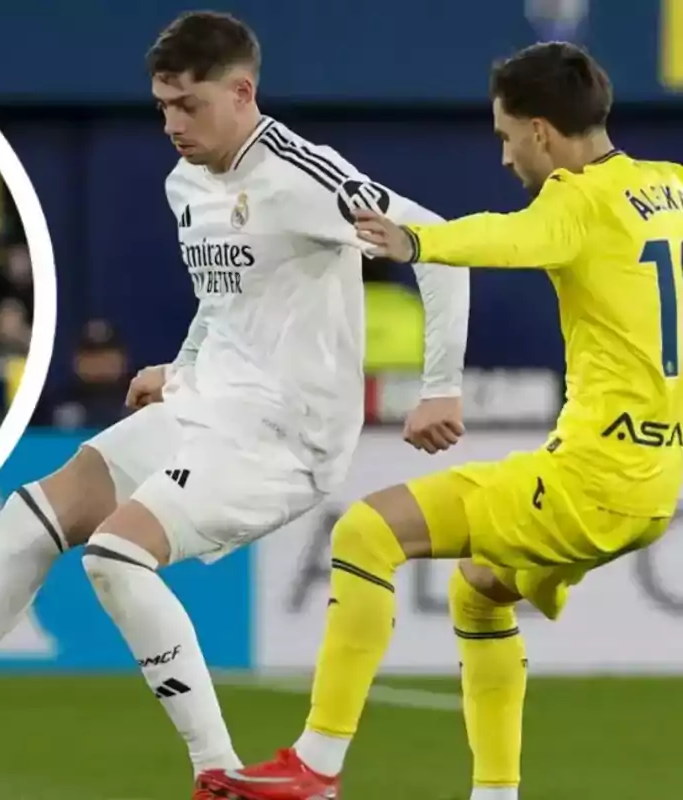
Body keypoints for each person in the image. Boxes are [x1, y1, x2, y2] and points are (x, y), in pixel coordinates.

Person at [0, 11, 471, 790]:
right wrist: (185, 362)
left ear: (242, 92)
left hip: (282, 435)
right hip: (209, 409)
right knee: (33, 514)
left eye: (188, 105)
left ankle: (219, 773)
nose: (170, 123)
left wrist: (440, 387)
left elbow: (439, 244)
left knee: (117, 558)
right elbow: (225, 296)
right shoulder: (186, 181)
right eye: (162, 105)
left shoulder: (300, 173)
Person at [198, 41, 683, 800]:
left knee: (365, 530)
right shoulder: (670, 186)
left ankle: (317, 763)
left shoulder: (574, 202)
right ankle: (496, 793)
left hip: (591, 480)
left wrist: (419, 239)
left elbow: (507, 236)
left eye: (505, 136)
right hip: (655, 484)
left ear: (543, 134)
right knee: (480, 589)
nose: (504, 156)